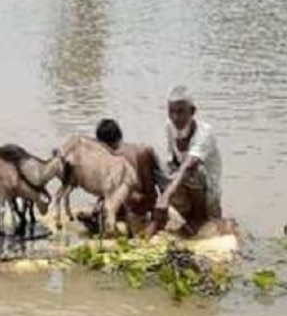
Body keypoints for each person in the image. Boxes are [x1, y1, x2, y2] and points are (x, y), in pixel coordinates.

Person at [148, 86, 222, 238]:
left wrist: (166, 196)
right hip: (182, 186)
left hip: (206, 193)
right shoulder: (169, 126)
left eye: (180, 111)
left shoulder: (204, 133)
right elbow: (173, 162)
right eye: (171, 112)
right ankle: (155, 216)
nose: (175, 117)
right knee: (147, 157)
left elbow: (188, 165)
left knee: (194, 172)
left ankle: (199, 219)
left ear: (192, 111)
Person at [93, 118, 159, 224]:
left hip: (138, 208)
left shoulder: (137, 155)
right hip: (132, 206)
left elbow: (149, 196)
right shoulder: (106, 159)